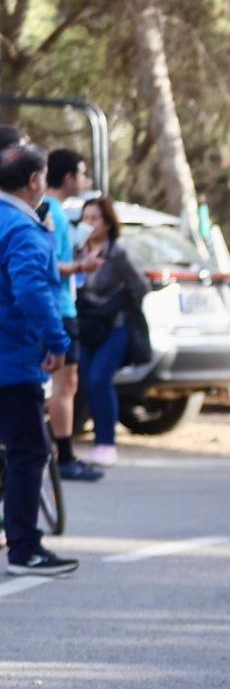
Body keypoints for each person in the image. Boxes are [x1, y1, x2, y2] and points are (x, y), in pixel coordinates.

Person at [0, 142, 77, 575]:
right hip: (10, 360)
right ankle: (25, 549)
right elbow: (31, 291)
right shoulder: (22, 229)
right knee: (29, 452)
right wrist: (56, 340)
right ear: (34, 181)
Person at [42, 149, 104, 481]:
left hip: (62, 306)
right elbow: (48, 264)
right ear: (68, 177)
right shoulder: (52, 212)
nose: (84, 179)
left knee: (66, 383)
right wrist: (82, 265)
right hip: (58, 309)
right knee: (65, 384)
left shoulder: (59, 213)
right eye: (82, 173)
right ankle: (63, 456)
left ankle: (62, 453)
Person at [74, 197, 149, 468]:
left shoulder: (116, 253)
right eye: (85, 218)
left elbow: (141, 286)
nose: (89, 224)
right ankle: (97, 444)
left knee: (99, 380)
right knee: (86, 381)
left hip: (114, 327)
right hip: (87, 326)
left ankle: (107, 443)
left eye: (94, 218)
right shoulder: (77, 251)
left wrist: (118, 303)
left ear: (107, 223)